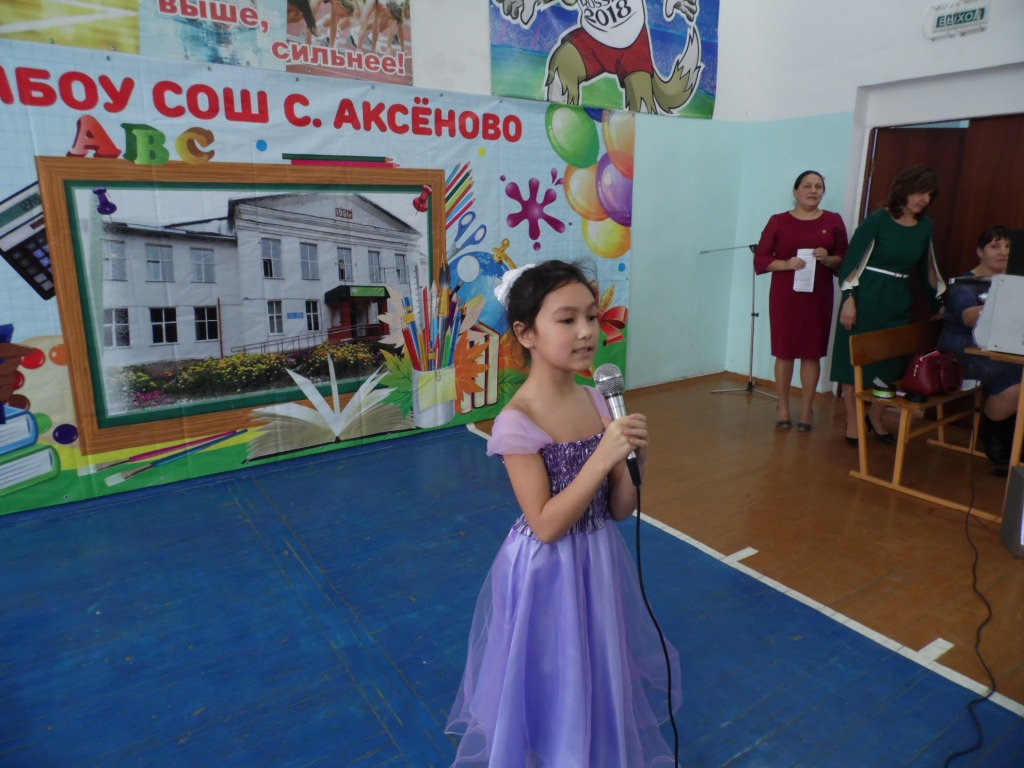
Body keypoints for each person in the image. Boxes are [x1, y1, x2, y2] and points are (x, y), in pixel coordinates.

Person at [446, 261, 681, 766]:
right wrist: (601, 457)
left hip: (598, 558)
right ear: (526, 333)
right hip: (546, 573)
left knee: (596, 667)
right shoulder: (517, 421)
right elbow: (547, 524)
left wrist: (636, 459)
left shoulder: (597, 399)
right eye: (567, 319)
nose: (586, 331)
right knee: (552, 674)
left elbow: (619, 509)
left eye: (592, 316)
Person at [830, 165, 945, 446]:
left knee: (891, 366)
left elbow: (927, 270)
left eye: (930, 195)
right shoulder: (877, 220)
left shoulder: (926, 226)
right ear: (904, 190)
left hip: (898, 300)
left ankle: (876, 416)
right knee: (854, 363)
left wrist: (938, 305)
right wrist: (849, 300)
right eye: (921, 192)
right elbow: (852, 264)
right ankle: (853, 421)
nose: (925, 200)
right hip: (866, 297)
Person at [754, 170, 848, 431]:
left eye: (818, 187)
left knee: (811, 353)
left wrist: (828, 258)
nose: (813, 191)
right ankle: (783, 406)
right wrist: (786, 264)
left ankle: (807, 409)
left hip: (818, 296)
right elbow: (761, 258)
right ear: (795, 191)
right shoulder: (778, 221)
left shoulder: (833, 220)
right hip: (786, 296)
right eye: (807, 186)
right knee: (784, 352)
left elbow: (844, 258)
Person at [939, 226, 1022, 475]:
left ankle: (1013, 442)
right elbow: (968, 317)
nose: (1003, 252)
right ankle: (994, 433)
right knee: (1015, 380)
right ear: (980, 252)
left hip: (999, 349)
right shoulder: (965, 284)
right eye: (995, 246)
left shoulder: (1014, 282)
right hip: (962, 351)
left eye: (1008, 246)